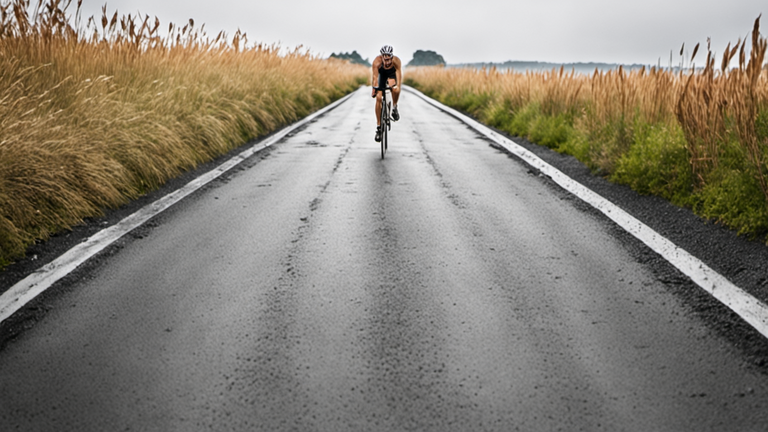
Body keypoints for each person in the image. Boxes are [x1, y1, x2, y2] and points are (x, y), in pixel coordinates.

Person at [371, 45, 402, 142]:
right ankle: (379, 128)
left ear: (392, 58)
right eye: (385, 60)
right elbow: (375, 78)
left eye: (389, 60)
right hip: (382, 75)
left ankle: (394, 108)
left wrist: (396, 87)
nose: (387, 62)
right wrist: (374, 88)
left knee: (395, 89)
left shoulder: (396, 61)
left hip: (392, 74)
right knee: (379, 98)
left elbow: (399, 79)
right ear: (382, 57)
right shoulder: (377, 62)